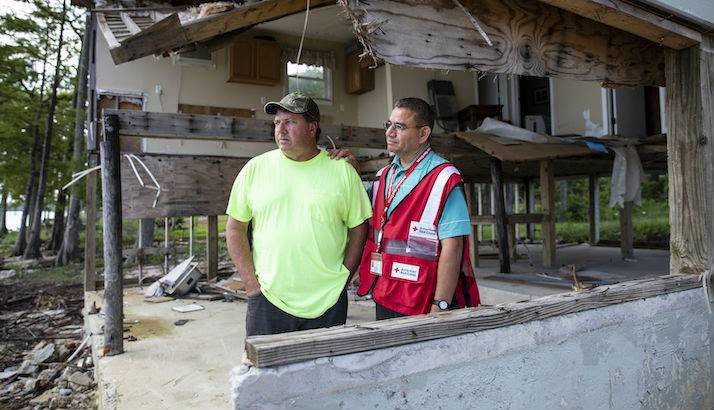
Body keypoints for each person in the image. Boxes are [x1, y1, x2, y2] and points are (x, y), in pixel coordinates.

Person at [225, 92, 372, 336]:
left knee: (325, 372)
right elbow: (234, 228)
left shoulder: (342, 172)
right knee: (266, 373)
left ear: (312, 127)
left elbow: (359, 227)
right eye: (277, 123)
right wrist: (251, 284)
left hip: (327, 300)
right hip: (269, 299)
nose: (281, 130)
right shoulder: (255, 169)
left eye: (290, 122)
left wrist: (343, 278)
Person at [337, 97, 480, 319]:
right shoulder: (382, 177)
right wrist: (351, 174)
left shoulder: (444, 178)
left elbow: (453, 247)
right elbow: (366, 218)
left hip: (422, 300)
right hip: (384, 291)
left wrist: (440, 305)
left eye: (400, 127)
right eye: (388, 125)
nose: (389, 132)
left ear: (423, 134)